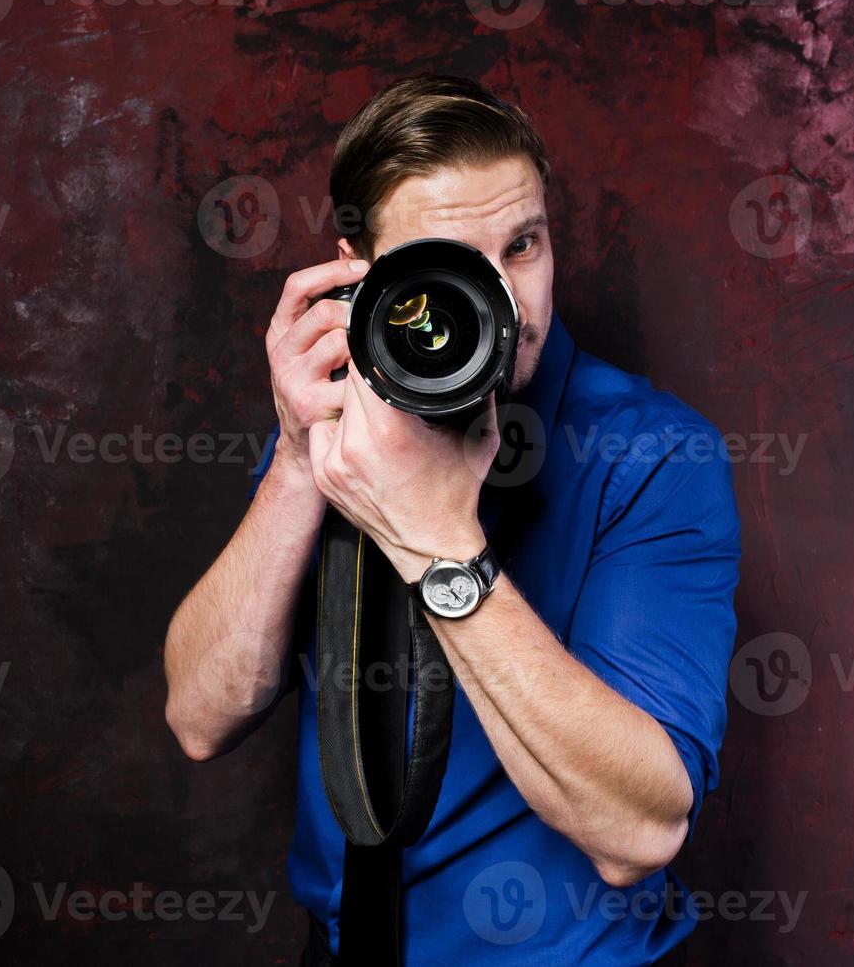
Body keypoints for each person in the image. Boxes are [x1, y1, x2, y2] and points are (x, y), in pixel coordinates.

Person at [164, 74, 741, 965]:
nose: (506, 302)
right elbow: (201, 716)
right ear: (362, 269)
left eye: (523, 246)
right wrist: (292, 459)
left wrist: (440, 543)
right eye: (457, 265)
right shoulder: (344, 427)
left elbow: (639, 830)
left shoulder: (653, 456)